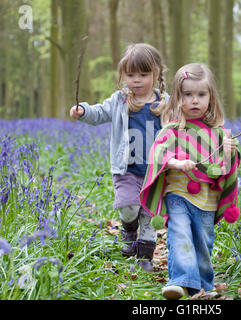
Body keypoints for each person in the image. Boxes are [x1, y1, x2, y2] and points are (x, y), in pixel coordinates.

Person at [139, 63, 241, 299]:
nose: (195, 100)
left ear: (211, 98)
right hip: (178, 194)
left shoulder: (219, 133)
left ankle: (203, 284)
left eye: (201, 95)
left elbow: (225, 169)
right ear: (177, 98)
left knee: (203, 241)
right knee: (180, 233)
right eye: (188, 95)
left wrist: (228, 152)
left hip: (207, 199)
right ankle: (180, 280)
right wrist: (176, 163)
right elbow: (157, 154)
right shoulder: (172, 130)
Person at [69, 43, 169, 272]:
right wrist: (82, 110)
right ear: (123, 75)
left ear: (156, 74)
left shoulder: (165, 103)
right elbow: (99, 113)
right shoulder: (119, 100)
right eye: (130, 74)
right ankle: (128, 228)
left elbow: (180, 126)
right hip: (127, 170)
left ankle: (145, 259)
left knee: (150, 216)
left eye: (143, 75)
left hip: (155, 172)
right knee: (129, 207)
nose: (136, 80)